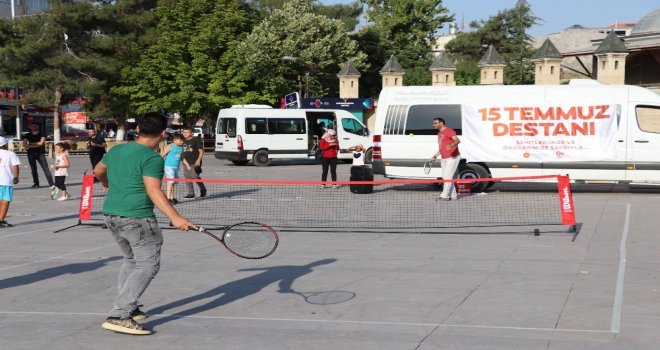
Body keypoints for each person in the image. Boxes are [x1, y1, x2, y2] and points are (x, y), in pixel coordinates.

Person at [94, 112, 195, 335]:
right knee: (148, 265)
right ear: (163, 133)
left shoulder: (117, 149)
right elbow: (153, 190)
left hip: (111, 213)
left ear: (138, 128)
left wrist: (107, 183)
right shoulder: (152, 158)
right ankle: (119, 314)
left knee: (132, 260)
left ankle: (129, 308)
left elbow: (98, 171)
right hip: (137, 218)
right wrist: (175, 217)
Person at [430, 117, 461, 201]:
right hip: (444, 157)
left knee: (447, 177)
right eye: (433, 123)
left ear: (441, 123)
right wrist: (435, 156)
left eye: (435, 123)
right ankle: (453, 195)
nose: (434, 125)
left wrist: (451, 145)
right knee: (446, 176)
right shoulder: (439, 133)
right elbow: (442, 148)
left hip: (452, 157)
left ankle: (445, 196)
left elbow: (457, 141)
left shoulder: (449, 131)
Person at [22, 123, 55, 189]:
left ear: (38, 126)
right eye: (32, 126)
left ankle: (51, 184)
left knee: (46, 169)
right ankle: (36, 183)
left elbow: (41, 143)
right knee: (33, 169)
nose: (33, 127)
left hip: (40, 153)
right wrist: (36, 144)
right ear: (29, 127)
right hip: (30, 153)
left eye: (35, 125)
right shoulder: (27, 135)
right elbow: (24, 144)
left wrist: (30, 144)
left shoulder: (42, 134)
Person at [180, 126, 206, 198]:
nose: (185, 133)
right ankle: (191, 193)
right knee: (187, 177)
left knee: (195, 176)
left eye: (187, 132)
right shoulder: (182, 140)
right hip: (186, 162)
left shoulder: (196, 140)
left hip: (195, 161)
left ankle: (202, 188)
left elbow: (201, 151)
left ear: (191, 133)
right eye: (184, 132)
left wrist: (198, 160)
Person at [0, 136, 20, 228]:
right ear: (5, 144)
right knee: (6, 200)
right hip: (6, 180)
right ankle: (1, 221)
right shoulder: (10, 154)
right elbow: (15, 166)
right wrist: (16, 177)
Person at [160, 134, 186, 205]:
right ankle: (168, 198)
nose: (182, 141)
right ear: (175, 140)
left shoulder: (181, 148)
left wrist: (187, 165)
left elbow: (181, 157)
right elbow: (162, 154)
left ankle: (172, 197)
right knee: (170, 182)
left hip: (176, 167)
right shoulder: (170, 146)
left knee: (173, 182)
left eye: (182, 140)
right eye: (180, 140)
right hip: (169, 166)